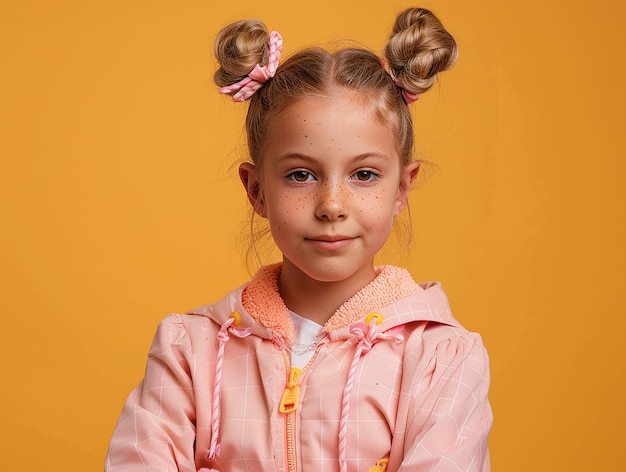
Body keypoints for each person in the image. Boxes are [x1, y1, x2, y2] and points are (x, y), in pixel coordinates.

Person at [105, 6, 492, 472]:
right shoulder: (190, 352)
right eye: (301, 175)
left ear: (401, 190)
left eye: (364, 174)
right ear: (256, 190)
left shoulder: (439, 358)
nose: (332, 204)